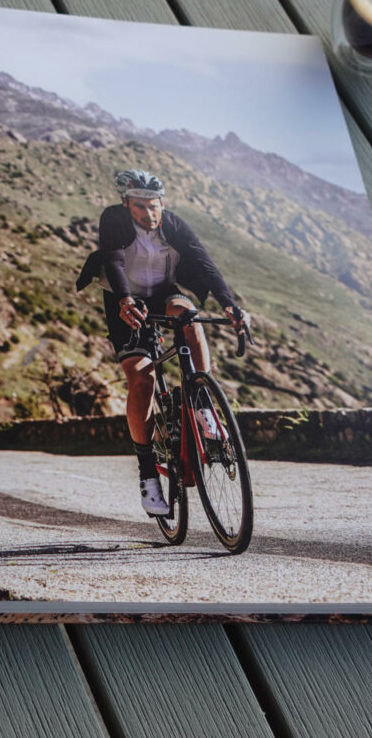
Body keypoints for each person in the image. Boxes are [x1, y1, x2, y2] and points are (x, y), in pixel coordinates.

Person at [76, 170, 248, 516]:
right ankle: (148, 474)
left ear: (162, 204)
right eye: (139, 206)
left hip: (164, 293)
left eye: (153, 206)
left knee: (190, 319)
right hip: (124, 300)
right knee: (142, 380)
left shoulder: (174, 224)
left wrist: (230, 304)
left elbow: (204, 262)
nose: (148, 214)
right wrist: (125, 300)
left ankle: (202, 407)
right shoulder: (113, 219)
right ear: (126, 204)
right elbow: (113, 259)